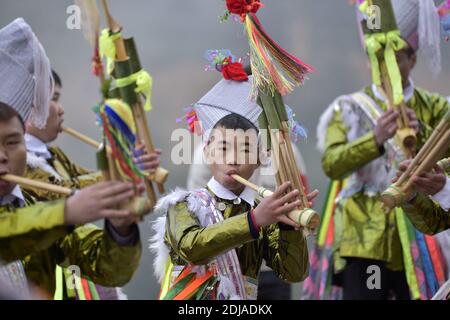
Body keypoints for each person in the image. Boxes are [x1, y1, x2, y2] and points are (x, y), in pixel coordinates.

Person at [0, 18, 142, 299]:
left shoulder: (32, 205)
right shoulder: (46, 211)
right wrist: (68, 210)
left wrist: (121, 227)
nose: (2, 157)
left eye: (12, 142)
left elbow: (108, 269)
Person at [316, 0, 449, 300]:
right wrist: (375, 139)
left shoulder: (438, 107)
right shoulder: (347, 108)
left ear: (412, 61)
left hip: (423, 236)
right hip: (364, 238)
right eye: (375, 59)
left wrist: (422, 133)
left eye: (395, 59)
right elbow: (332, 164)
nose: (385, 69)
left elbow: (447, 164)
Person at [150, 75, 316, 300]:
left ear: (260, 158)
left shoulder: (264, 211)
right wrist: (253, 221)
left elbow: (293, 273)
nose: (233, 159)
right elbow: (192, 248)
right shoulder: (183, 205)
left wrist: (290, 230)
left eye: (246, 149)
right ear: (206, 152)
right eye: (223, 148)